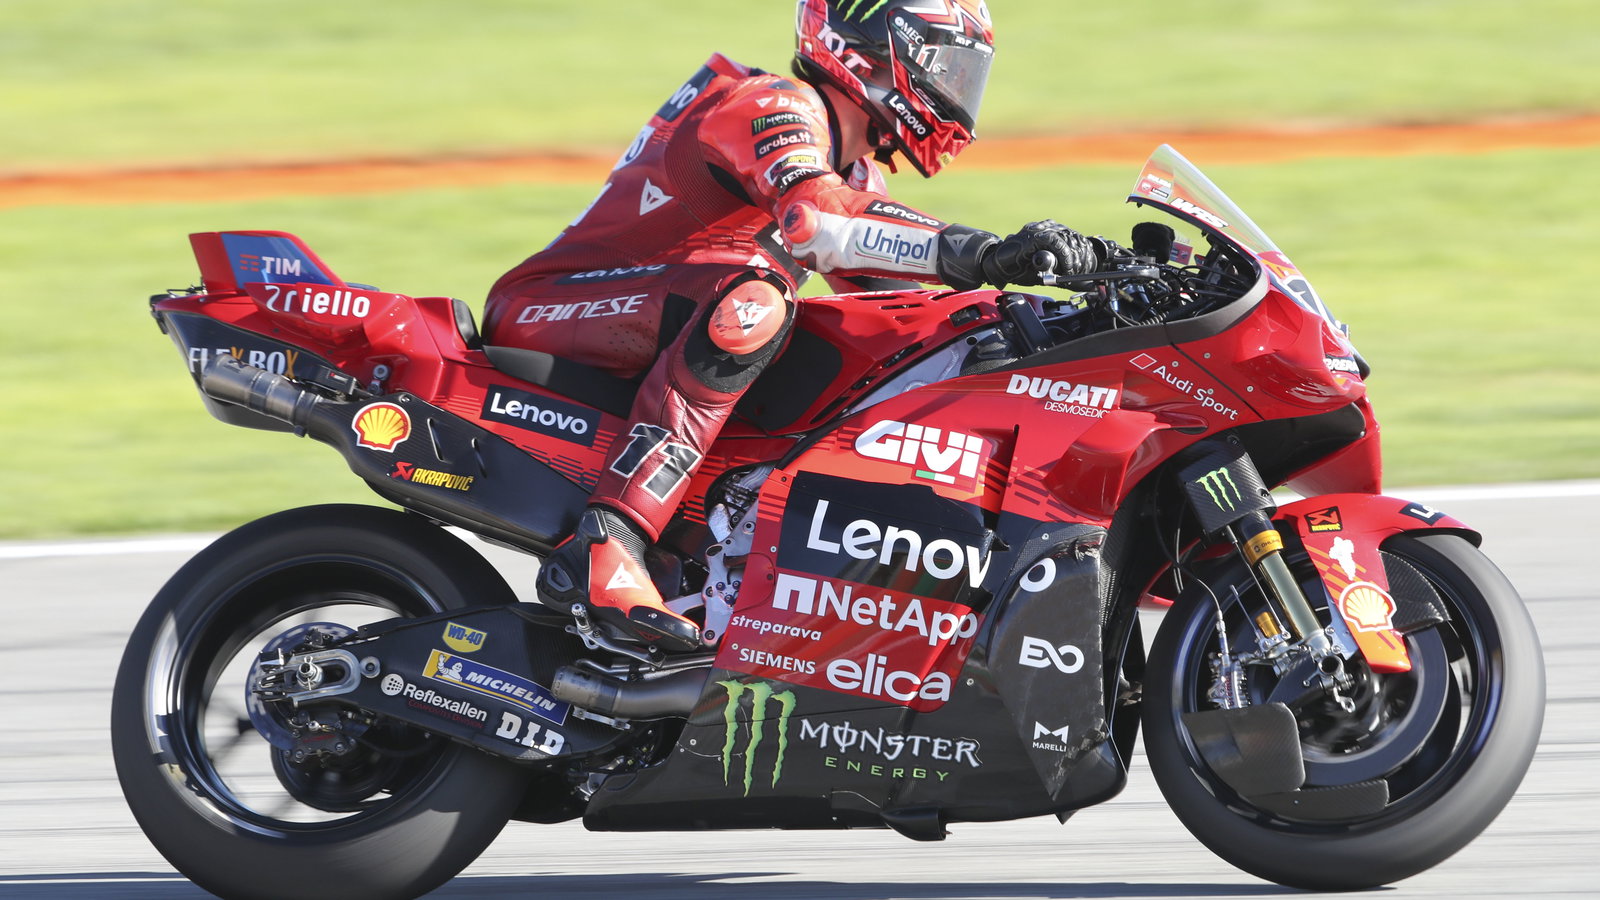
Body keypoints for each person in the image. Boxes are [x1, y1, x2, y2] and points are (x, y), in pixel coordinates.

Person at [483, 0, 1104, 653]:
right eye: (942, 66)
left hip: (653, 318)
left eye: (964, 73)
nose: (955, 92)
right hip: (551, 306)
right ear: (868, 52)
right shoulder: (769, 103)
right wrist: (987, 252)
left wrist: (1052, 315)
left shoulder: (853, 169)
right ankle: (607, 546)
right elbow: (819, 222)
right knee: (753, 303)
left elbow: (898, 306)